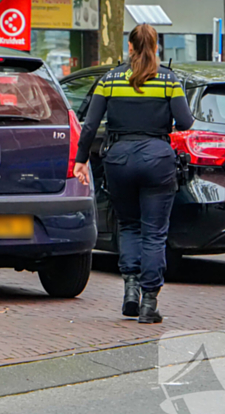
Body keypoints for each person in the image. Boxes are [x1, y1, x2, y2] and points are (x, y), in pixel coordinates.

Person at [73, 23, 194, 324]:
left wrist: (79, 160)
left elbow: (89, 126)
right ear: (155, 47)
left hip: (119, 160)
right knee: (154, 232)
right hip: (157, 160)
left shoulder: (110, 79)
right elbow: (186, 121)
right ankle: (149, 303)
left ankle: (130, 291)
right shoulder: (168, 80)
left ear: (129, 47)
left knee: (128, 226)